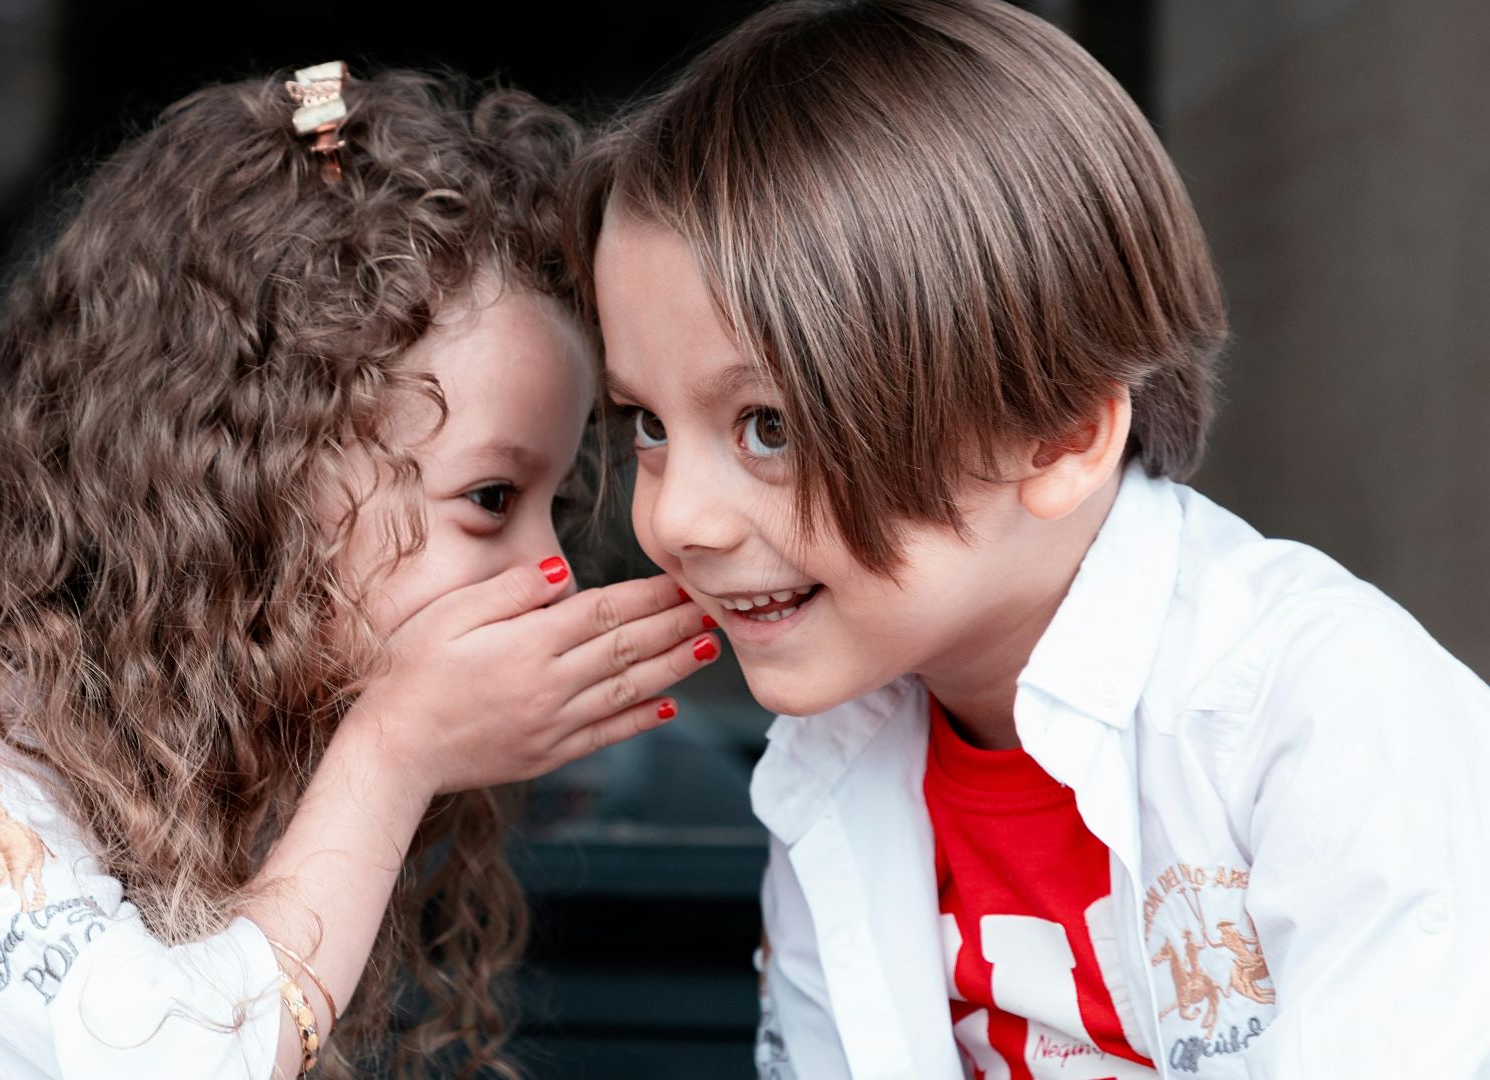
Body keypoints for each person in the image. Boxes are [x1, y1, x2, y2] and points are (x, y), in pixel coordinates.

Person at [0, 64, 721, 1078]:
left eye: (557, 507)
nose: (553, 569)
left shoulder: (168, 726)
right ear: (258, 468)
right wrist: (396, 749)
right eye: (489, 500)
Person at [566, 2, 1490, 1076]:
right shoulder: (834, 760)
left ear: (1059, 437)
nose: (675, 520)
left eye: (770, 427)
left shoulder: (1327, 719)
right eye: (649, 424)